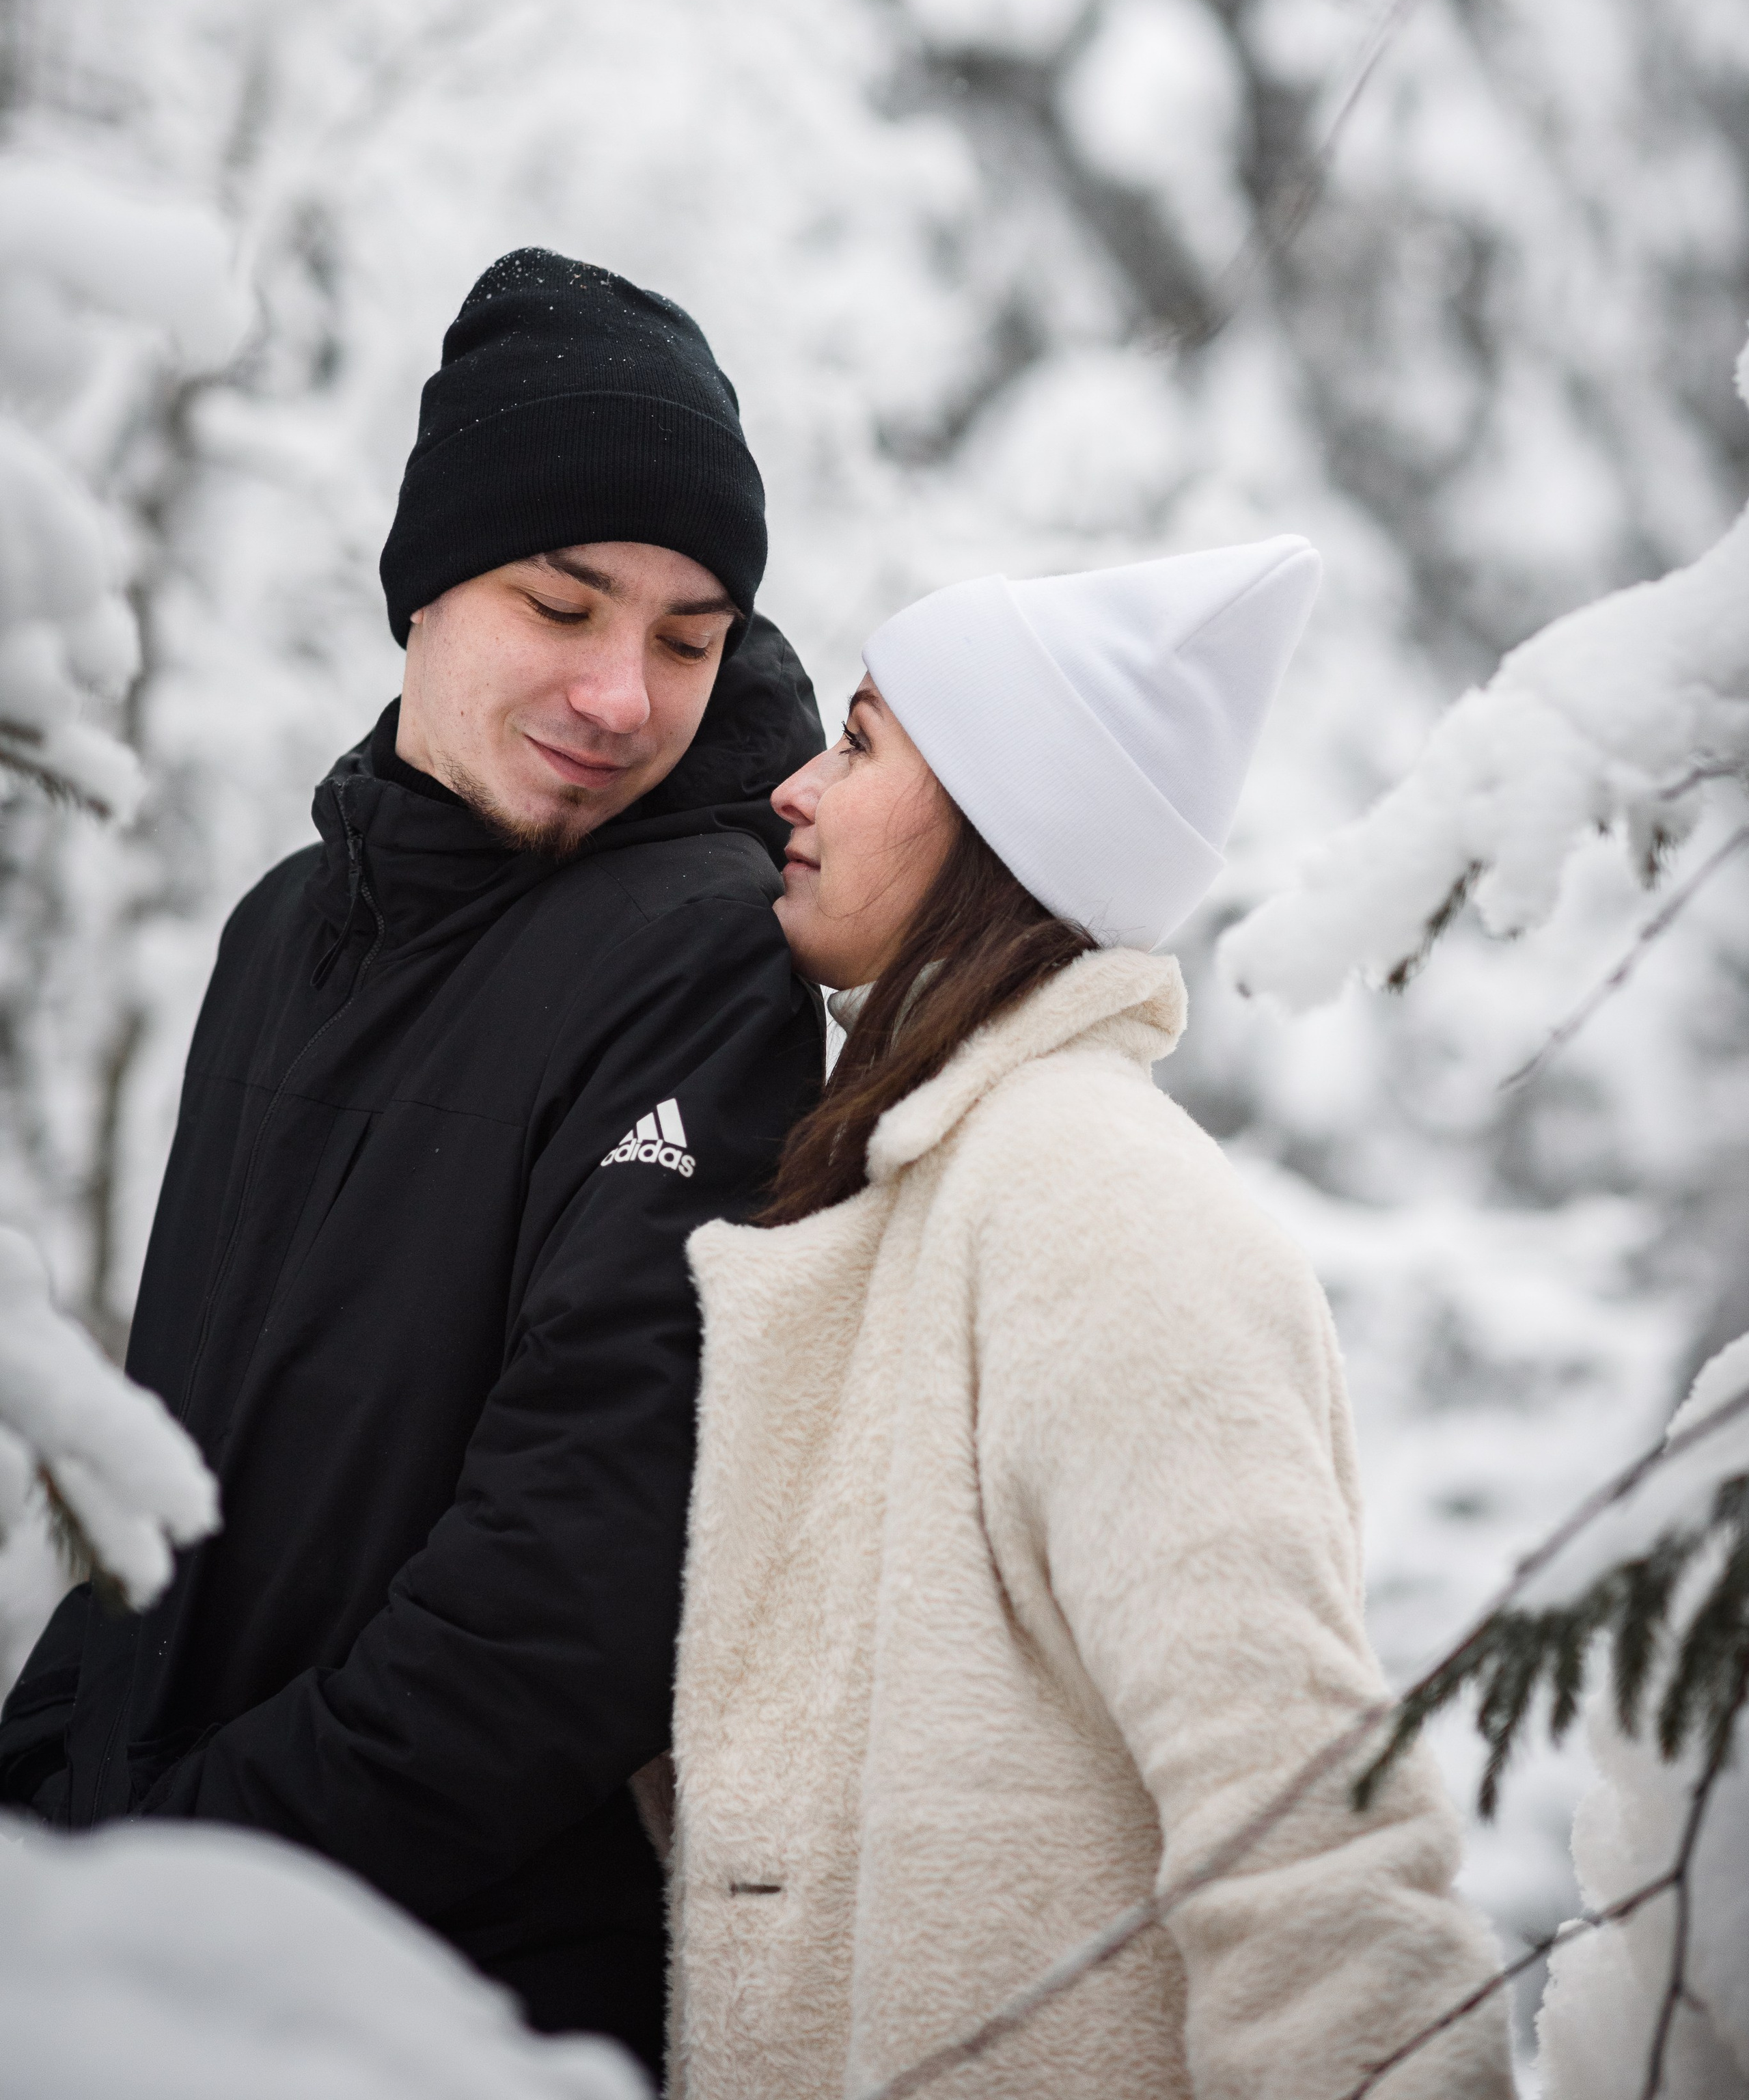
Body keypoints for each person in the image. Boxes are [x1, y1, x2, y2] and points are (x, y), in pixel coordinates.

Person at [0, 249, 825, 2076]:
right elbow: (183, 1469)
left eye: (690, 639)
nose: (623, 690)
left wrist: (178, 1864)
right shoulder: (281, 935)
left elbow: (577, 1583)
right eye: (565, 603)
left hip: (434, 2010)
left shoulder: (702, 958)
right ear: (429, 583)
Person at [665, 536, 1513, 2100]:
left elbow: (1305, 1835)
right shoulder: (945, 1181)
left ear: (997, 816)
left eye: (856, 742)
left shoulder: (1093, 1198)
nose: (794, 787)